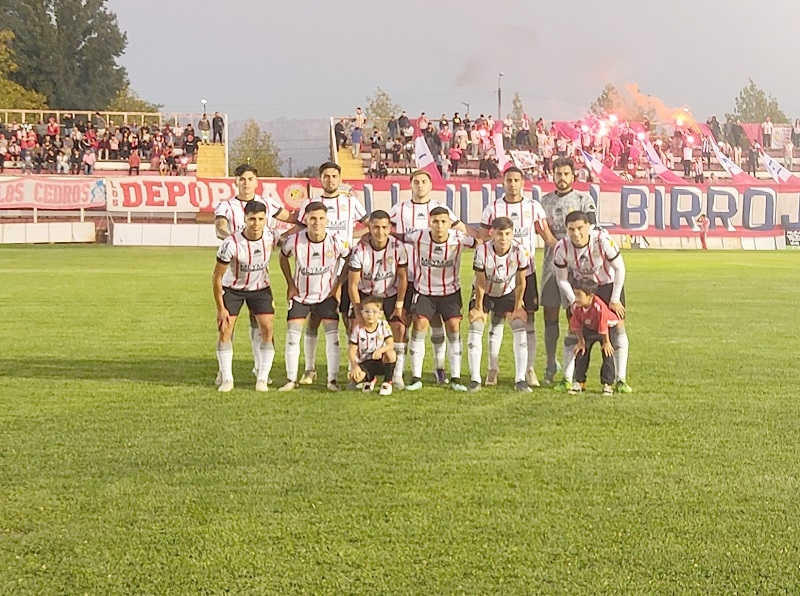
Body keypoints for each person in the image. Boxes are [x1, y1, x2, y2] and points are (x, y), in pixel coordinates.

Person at [213, 164, 296, 387]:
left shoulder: (267, 204)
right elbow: (220, 226)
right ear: (236, 182)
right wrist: (234, 240)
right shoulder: (227, 206)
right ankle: (226, 375)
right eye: (242, 179)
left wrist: (310, 220)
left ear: (256, 181)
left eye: (250, 178)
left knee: (263, 325)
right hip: (235, 276)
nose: (246, 183)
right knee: (227, 327)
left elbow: (292, 219)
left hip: (260, 282)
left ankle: (261, 371)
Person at [388, 170, 470, 384]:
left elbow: (465, 232)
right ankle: (399, 372)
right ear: (411, 184)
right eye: (416, 181)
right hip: (411, 278)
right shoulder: (400, 209)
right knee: (408, 324)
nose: (420, 185)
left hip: (439, 283)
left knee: (439, 324)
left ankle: (440, 367)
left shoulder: (440, 210)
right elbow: (389, 230)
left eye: (424, 181)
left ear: (430, 185)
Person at [479, 166, 557, 387]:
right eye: (508, 180)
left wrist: (568, 253)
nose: (512, 184)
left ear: (523, 183)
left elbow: (547, 236)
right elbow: (483, 239)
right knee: (496, 319)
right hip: (498, 274)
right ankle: (492, 368)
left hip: (526, 272)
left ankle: (528, 369)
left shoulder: (533, 207)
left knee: (527, 319)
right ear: (502, 182)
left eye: (516, 180)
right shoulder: (493, 208)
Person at [293, 162, 368, 386]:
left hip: (344, 268)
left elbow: (368, 224)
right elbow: (299, 229)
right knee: (313, 319)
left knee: (346, 319)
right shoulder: (311, 203)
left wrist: (353, 240)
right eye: (326, 176)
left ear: (340, 177)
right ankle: (309, 369)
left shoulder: (350, 201)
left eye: (334, 176)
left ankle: (352, 366)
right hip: (317, 270)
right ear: (320, 178)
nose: (330, 180)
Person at [399, 207, 478, 392]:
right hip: (424, 291)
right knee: (419, 326)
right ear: (429, 222)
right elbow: (396, 236)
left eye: (443, 221)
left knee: (453, 328)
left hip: (450, 292)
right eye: (435, 221)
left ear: (450, 223)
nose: (439, 226)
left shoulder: (459, 238)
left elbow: (479, 242)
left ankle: (456, 377)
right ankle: (416, 377)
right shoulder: (418, 236)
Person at [552, 210, 632, 394]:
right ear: (566, 229)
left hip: (607, 285)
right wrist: (574, 302)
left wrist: (614, 299)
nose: (576, 233)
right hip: (581, 289)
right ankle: (567, 378)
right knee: (574, 330)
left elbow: (620, 268)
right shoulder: (561, 248)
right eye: (571, 229)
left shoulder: (602, 240)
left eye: (580, 228)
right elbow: (561, 279)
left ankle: (620, 379)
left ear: (588, 226)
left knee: (617, 327)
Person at [278, 202, 351, 392]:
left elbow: (349, 257)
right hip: (301, 296)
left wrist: (337, 285)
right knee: (293, 336)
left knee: (332, 337)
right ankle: (291, 379)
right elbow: (283, 256)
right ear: (306, 220)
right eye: (312, 219)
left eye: (321, 218)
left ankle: (332, 380)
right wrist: (290, 284)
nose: (317, 222)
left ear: (327, 220)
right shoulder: (295, 240)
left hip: (326, 296)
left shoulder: (336, 240)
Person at [539, 157, 597, 385]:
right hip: (551, 264)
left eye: (566, 174)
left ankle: (573, 367)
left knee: (575, 314)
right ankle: (551, 363)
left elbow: (591, 228)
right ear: (553, 176)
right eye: (558, 174)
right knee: (550, 314)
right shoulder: (544, 202)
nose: (561, 178)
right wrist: (558, 246)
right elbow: (542, 229)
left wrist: (571, 248)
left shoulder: (584, 199)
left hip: (578, 267)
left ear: (573, 176)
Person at [212, 201, 277, 392]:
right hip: (233, 289)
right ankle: (227, 379)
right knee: (225, 329)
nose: (256, 224)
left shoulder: (271, 236)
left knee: (267, 328)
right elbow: (217, 276)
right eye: (252, 219)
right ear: (244, 220)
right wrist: (221, 308)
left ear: (266, 220)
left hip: (260, 288)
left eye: (260, 219)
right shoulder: (231, 243)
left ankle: (262, 378)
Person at [467, 217, 532, 393]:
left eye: (507, 234)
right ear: (492, 233)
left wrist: (518, 306)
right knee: (476, 326)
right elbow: (480, 282)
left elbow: (521, 282)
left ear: (512, 234)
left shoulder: (520, 251)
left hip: (507, 292)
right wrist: (479, 307)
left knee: (519, 325)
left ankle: (520, 379)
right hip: (485, 292)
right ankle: (474, 379)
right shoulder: (482, 251)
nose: (503, 238)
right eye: (499, 234)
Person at [348, 210, 408, 388]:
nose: (380, 232)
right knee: (355, 328)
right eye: (375, 227)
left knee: (399, 327)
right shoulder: (359, 250)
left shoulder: (398, 247)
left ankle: (396, 374)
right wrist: (358, 311)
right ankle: (359, 371)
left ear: (390, 229)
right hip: (366, 295)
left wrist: (399, 305)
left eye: (384, 227)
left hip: (389, 294)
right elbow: (352, 284)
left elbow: (403, 278)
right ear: (369, 228)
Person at [566, 279, 618, 396]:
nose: (576, 298)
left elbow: (603, 326)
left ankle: (607, 384)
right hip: (590, 327)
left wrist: (606, 343)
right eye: (575, 295)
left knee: (607, 353)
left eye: (579, 295)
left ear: (590, 296)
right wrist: (581, 342)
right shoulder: (576, 306)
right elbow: (576, 325)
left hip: (607, 328)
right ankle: (580, 382)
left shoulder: (599, 307)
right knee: (582, 352)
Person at [347, 295, 397, 396]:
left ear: (380, 314)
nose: (370, 315)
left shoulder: (383, 325)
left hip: (380, 360)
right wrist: (354, 366)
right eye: (367, 311)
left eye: (374, 312)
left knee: (391, 354)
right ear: (362, 313)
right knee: (355, 377)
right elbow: (351, 350)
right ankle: (370, 379)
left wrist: (380, 350)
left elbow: (390, 344)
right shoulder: (358, 329)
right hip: (366, 361)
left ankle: (387, 382)